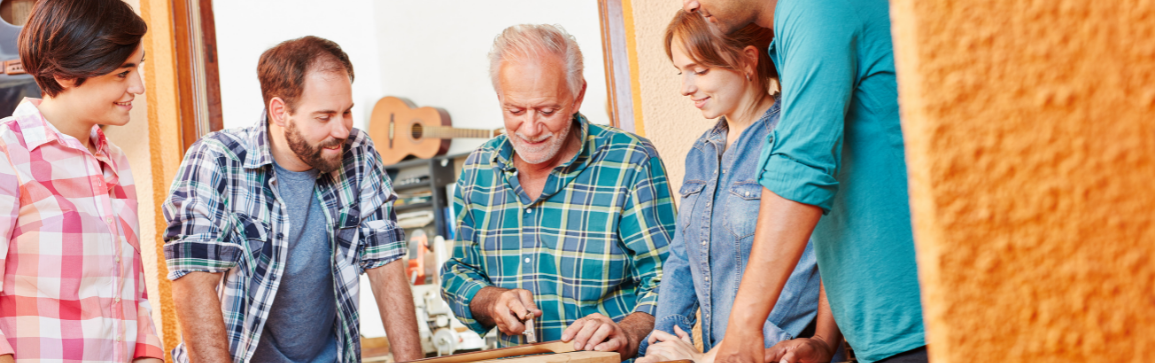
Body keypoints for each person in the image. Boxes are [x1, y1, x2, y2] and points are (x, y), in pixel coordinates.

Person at [682, 0, 929, 362]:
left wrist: (743, 327)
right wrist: (823, 340)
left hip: (919, 329)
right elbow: (843, 202)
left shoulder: (819, 8)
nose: (691, 4)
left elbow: (802, 168)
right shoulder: (806, 22)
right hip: (887, 336)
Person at [162, 36, 421, 362]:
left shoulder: (358, 152)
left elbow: (387, 267)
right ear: (280, 111)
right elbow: (193, 284)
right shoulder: (217, 159)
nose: (342, 130)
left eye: (347, 112)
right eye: (324, 117)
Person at [439, 24, 676, 359]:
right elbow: (457, 273)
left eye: (547, 110)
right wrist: (491, 300)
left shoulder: (630, 160)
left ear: (577, 95)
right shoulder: (478, 169)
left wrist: (628, 331)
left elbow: (669, 276)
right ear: (500, 99)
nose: (531, 128)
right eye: (515, 110)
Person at [638, 10, 831, 363]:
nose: (685, 87)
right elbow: (682, 257)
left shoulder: (793, 138)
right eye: (681, 72)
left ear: (747, 62)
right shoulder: (701, 152)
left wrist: (723, 354)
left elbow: (812, 262)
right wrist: (664, 343)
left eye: (699, 70)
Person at [0, 0, 163, 362]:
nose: (137, 86)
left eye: (139, 68)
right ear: (65, 74)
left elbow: (133, 295)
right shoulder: (7, 152)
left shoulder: (115, 161)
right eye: (122, 73)